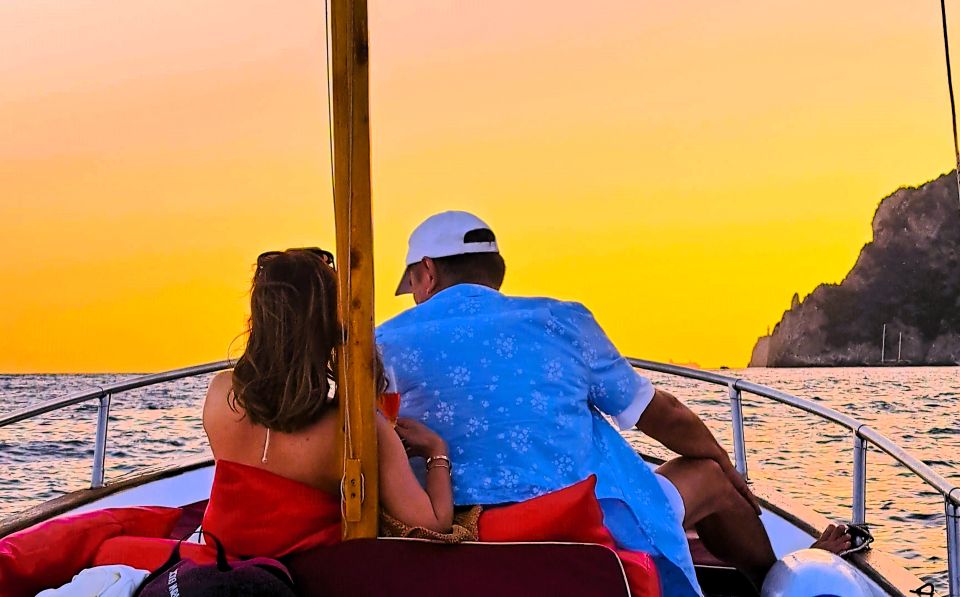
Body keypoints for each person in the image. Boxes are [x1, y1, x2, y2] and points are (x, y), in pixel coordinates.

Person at [376, 212, 851, 595]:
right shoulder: (560, 320)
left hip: (449, 536)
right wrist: (726, 466)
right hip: (572, 524)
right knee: (707, 478)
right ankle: (780, 580)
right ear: (496, 274)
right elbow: (657, 414)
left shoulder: (382, 341)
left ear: (428, 272)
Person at [203, 248, 453, 558]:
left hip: (224, 556)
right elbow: (433, 525)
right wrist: (436, 452)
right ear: (331, 325)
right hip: (305, 573)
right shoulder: (356, 427)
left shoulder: (221, 393)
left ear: (259, 317)